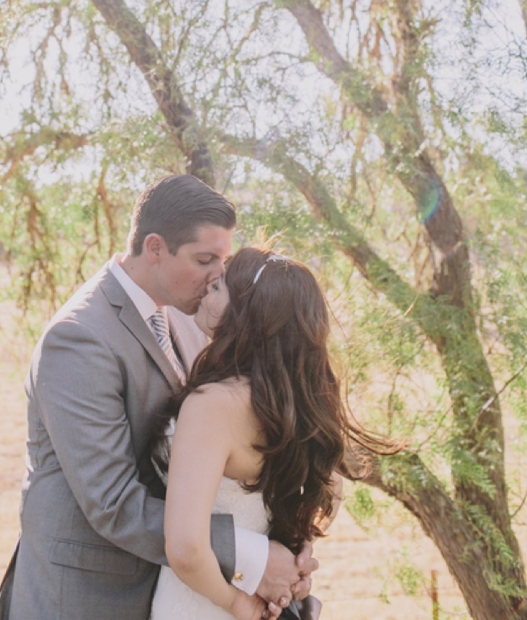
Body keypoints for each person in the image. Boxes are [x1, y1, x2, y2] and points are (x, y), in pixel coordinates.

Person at [6, 176, 317, 620]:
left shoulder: (192, 317)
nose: (218, 276)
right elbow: (113, 503)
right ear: (155, 248)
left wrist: (288, 546)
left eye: (223, 261)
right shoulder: (79, 339)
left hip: (174, 590)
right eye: (205, 259)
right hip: (90, 597)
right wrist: (252, 556)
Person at [151, 246, 392, 620]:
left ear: (247, 314)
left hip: (203, 601)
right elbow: (328, 487)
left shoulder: (212, 404)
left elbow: (185, 548)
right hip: (270, 599)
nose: (205, 291)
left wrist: (235, 602)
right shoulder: (302, 401)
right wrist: (300, 558)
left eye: (217, 288)